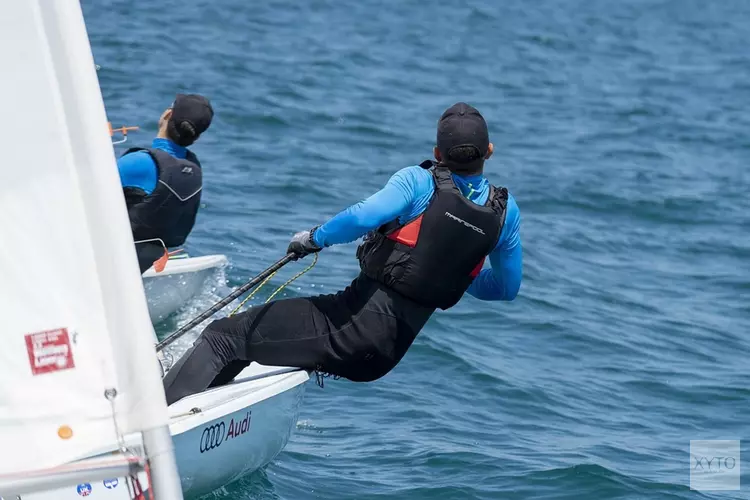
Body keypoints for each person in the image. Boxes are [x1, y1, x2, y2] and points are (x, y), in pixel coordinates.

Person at [162, 102, 522, 404]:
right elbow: (505, 289)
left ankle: (154, 425)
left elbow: (363, 216)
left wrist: (313, 239)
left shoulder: (419, 181)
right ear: (489, 152)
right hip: (385, 356)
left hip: (349, 327)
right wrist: (450, 265)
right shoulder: (506, 213)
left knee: (223, 336)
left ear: (437, 154)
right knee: (242, 341)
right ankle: (199, 414)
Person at [117, 93, 214, 273]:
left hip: (119, 255)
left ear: (167, 115)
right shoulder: (193, 170)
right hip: (155, 258)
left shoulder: (138, 162)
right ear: (197, 137)